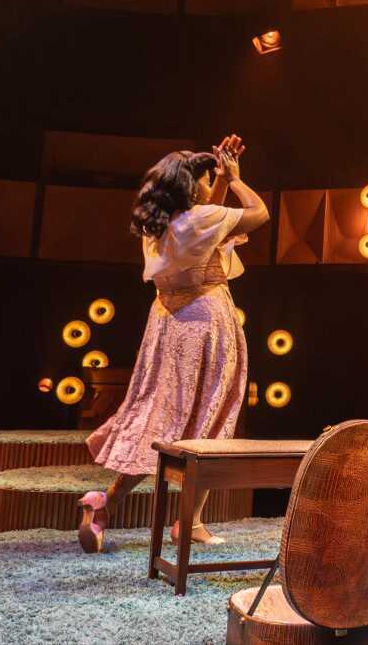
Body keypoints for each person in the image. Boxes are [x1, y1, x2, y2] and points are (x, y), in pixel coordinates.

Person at [76, 135, 269, 553]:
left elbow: (207, 221)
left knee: (159, 419)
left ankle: (105, 503)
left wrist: (218, 177)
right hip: (205, 320)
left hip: (167, 326)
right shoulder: (198, 220)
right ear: (189, 188)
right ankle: (189, 522)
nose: (208, 185)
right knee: (212, 417)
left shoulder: (160, 226)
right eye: (203, 180)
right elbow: (259, 213)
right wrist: (236, 179)